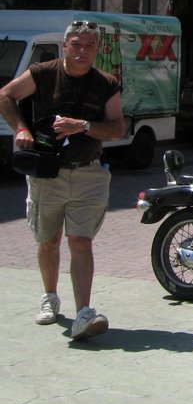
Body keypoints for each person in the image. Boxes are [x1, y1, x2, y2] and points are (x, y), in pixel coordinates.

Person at [0, 20, 124, 339]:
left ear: (97, 50)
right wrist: (21, 129)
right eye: (77, 45)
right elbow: (6, 96)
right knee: (49, 239)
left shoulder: (106, 83)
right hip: (47, 174)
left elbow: (115, 129)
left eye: (89, 46)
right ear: (65, 45)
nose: (83, 51)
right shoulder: (43, 73)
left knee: (80, 241)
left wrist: (81, 126)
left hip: (88, 173)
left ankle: (84, 313)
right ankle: (50, 296)